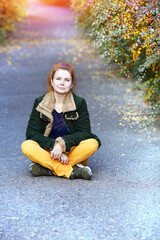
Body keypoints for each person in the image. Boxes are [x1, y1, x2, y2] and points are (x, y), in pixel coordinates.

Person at [21, 63, 101, 180]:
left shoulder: (79, 102)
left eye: (67, 80)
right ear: (52, 82)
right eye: (58, 79)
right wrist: (55, 146)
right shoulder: (40, 102)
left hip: (72, 151)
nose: (62, 83)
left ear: (72, 84)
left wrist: (62, 145)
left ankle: (47, 168)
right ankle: (71, 170)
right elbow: (32, 133)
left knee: (92, 143)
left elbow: (84, 132)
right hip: (49, 151)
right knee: (27, 145)